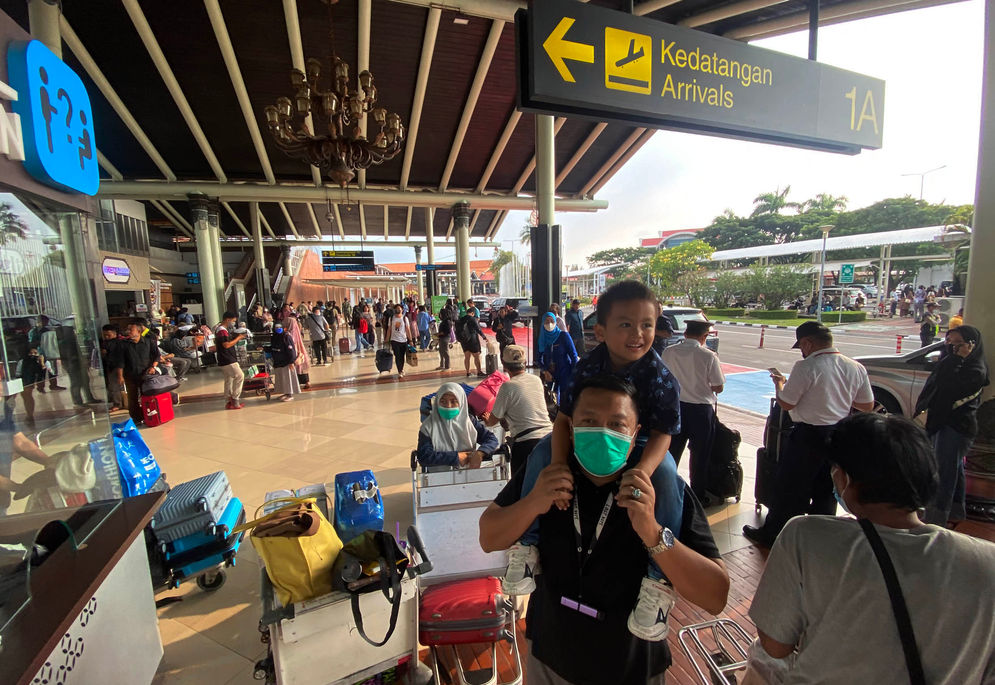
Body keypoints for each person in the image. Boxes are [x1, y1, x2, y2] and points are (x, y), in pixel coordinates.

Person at [480, 375, 728, 684]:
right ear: (570, 428)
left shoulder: (659, 489)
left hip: (633, 669)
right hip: (550, 661)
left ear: (636, 432)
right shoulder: (549, 473)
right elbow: (488, 537)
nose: (602, 432)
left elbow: (715, 596)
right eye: (589, 421)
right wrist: (533, 502)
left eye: (617, 424)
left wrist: (653, 533)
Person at [748, 412, 995, 685]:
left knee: (760, 654)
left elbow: (775, 645)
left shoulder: (806, 537)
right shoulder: (987, 560)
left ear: (844, 479)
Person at [509, 281, 684, 642]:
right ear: (600, 330)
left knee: (667, 475)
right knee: (542, 451)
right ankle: (526, 545)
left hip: (640, 446)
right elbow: (563, 420)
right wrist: (558, 463)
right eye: (626, 324)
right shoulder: (586, 368)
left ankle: (657, 581)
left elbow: (665, 433)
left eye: (647, 325)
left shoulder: (661, 378)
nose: (638, 334)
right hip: (587, 439)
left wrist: (642, 472)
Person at [744, 321, 874, 547]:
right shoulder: (855, 366)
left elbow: (786, 403)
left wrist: (780, 384)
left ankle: (774, 533)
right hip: (838, 435)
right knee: (826, 488)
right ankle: (821, 535)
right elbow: (867, 405)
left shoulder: (807, 366)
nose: (802, 351)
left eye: (802, 346)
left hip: (809, 436)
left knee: (790, 487)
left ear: (808, 342)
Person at [914, 325, 989, 526]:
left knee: (944, 473)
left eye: (958, 344)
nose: (951, 348)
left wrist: (957, 359)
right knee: (953, 469)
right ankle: (956, 511)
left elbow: (949, 388)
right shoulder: (950, 362)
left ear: (972, 346)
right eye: (949, 343)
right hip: (941, 423)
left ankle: (936, 519)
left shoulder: (975, 369)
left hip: (956, 427)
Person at [661, 320, 725, 503]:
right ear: (704, 337)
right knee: (700, 455)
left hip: (675, 408)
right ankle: (697, 496)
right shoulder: (708, 356)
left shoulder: (669, 351)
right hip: (701, 412)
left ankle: (667, 491)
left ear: (686, 333)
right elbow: (718, 387)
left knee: (671, 452)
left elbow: (663, 376)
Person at [482, 345, 553, 474]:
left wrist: (487, 419)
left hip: (527, 444)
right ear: (524, 363)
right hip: (550, 439)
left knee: (522, 488)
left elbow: (492, 421)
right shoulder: (536, 380)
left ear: (504, 365)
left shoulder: (507, 387)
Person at [417, 382, 498, 468]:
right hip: (438, 476)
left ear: (461, 403)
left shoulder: (469, 422)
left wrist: (480, 453)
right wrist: (456, 457)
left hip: (468, 473)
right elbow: (424, 457)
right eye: (443, 401)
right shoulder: (428, 427)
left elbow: (491, 439)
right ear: (437, 403)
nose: (448, 406)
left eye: (453, 402)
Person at [110, 320, 161, 423]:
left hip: (146, 374)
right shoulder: (123, 344)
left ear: (138, 331)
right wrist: (120, 377)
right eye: (128, 329)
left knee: (147, 396)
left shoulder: (148, 342)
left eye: (131, 330)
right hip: (130, 375)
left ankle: (149, 416)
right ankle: (137, 418)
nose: (129, 331)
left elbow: (156, 356)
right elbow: (120, 362)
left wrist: (153, 367)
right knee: (132, 398)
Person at [537, 312, 579, 404]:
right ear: (543, 323)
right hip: (550, 374)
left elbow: (573, 355)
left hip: (565, 371)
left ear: (556, 322)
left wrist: (574, 373)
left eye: (551, 321)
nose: (549, 323)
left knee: (565, 398)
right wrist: (545, 371)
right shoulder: (542, 339)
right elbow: (538, 359)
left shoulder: (563, 336)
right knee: (552, 398)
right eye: (546, 321)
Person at [214, 312, 246, 410]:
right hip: (228, 359)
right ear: (228, 319)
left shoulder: (220, 329)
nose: (233, 323)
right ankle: (235, 399)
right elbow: (226, 345)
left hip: (223, 358)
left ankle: (228, 400)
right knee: (240, 376)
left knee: (228, 379)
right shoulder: (222, 331)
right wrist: (238, 338)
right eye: (233, 321)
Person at [267, 321, 300, 402]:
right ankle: (285, 393)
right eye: (276, 328)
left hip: (286, 361)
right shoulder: (274, 337)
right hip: (278, 362)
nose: (278, 329)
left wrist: (291, 361)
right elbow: (273, 348)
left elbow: (291, 350)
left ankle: (289, 394)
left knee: (288, 378)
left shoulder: (286, 336)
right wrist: (264, 348)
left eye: (279, 328)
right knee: (282, 378)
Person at [456, 308, 487, 377]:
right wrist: (484, 337)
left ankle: (468, 372)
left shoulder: (461, 319)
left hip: (463, 340)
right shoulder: (472, 319)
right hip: (472, 340)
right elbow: (478, 329)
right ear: (473, 313)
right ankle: (479, 372)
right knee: (476, 356)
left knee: (467, 357)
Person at [100, 325, 123, 411]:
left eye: (108, 335)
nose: (106, 337)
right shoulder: (104, 342)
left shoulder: (117, 343)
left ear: (114, 334)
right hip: (109, 366)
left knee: (114, 386)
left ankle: (118, 403)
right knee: (112, 386)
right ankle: (116, 402)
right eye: (104, 335)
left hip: (115, 366)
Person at [284, 314, 311, 390]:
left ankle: (296, 383)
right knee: (301, 365)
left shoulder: (288, 333)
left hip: (294, 351)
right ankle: (306, 381)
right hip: (300, 350)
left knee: (296, 365)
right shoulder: (295, 328)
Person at [388, 304, 412, 379]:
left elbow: (408, 330)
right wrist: (386, 339)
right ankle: (400, 371)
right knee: (397, 356)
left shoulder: (405, 318)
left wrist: (410, 340)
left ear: (402, 310)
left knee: (402, 356)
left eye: (399, 308)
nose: (398, 310)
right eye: (396, 309)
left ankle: (401, 369)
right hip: (394, 340)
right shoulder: (391, 318)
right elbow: (389, 329)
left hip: (403, 340)